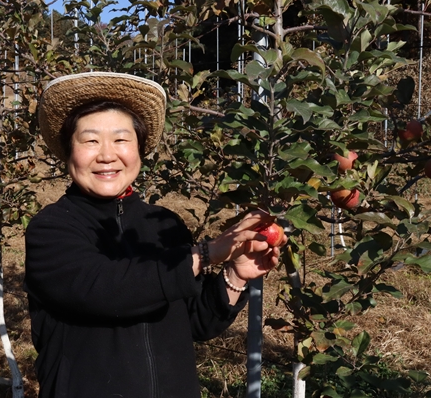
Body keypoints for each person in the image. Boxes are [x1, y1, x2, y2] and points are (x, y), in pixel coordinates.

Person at [23, 72, 286, 398]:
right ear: (67, 152)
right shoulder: (51, 229)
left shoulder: (164, 224)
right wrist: (204, 255)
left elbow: (197, 322)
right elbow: (106, 289)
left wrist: (235, 274)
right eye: (90, 141)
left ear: (140, 149)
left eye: (121, 140)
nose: (106, 154)